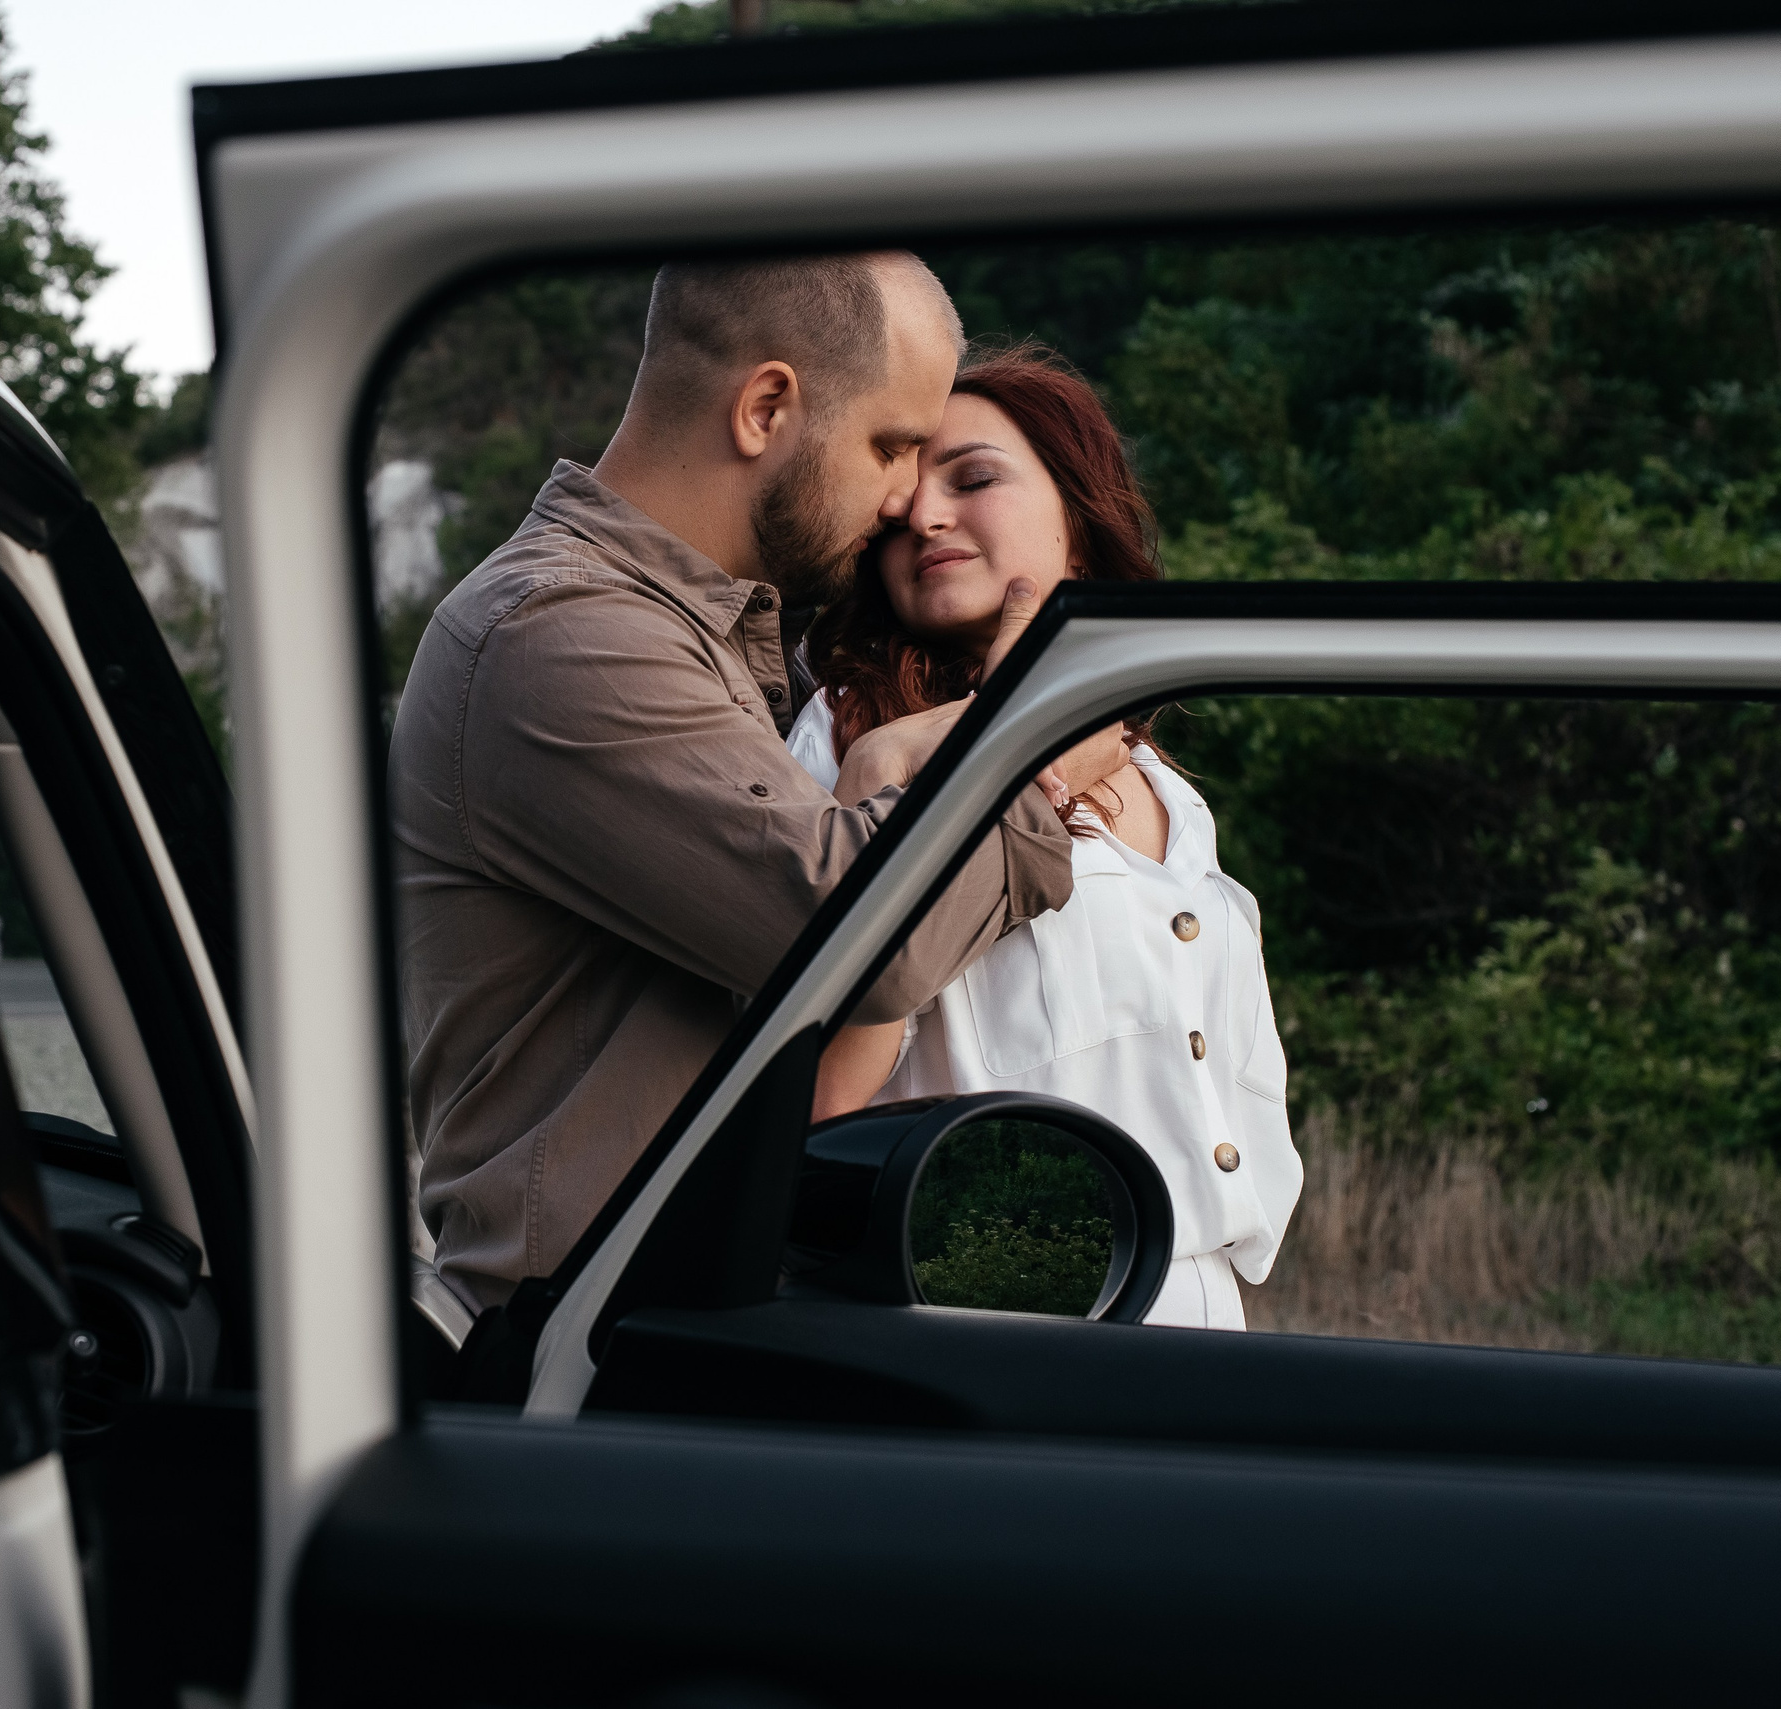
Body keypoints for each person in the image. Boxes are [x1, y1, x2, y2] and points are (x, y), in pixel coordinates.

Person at [394, 255, 1119, 1317]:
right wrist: (1038, 745)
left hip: (684, 1334)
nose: (904, 499)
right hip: (591, 1354)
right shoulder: (556, 633)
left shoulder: (708, 639)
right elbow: (856, 936)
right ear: (766, 407)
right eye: (889, 446)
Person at [787, 345, 1302, 1330]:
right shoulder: (848, 738)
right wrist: (939, 753)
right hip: (993, 1324)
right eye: (898, 512)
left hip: (1202, 1322)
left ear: (1077, 519)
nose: (925, 518)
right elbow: (819, 1102)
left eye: (973, 479)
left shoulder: (1161, 781)